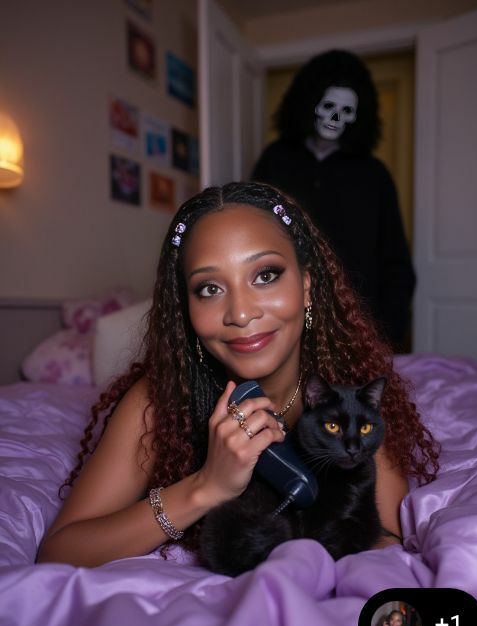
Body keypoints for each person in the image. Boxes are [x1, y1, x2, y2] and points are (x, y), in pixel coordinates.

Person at [37, 182, 439, 568]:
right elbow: (60, 551)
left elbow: (386, 542)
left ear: (307, 287)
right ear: (187, 310)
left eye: (265, 275)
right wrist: (205, 487)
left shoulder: (350, 395)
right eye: (210, 289)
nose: (241, 314)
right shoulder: (159, 402)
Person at [252, 50, 415, 350]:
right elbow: (252, 234)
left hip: (355, 327)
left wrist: (387, 332)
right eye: (328, 106)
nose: (336, 118)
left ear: (358, 116)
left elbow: (395, 261)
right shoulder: (275, 160)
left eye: (346, 110)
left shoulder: (374, 174)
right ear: (309, 103)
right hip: (282, 318)